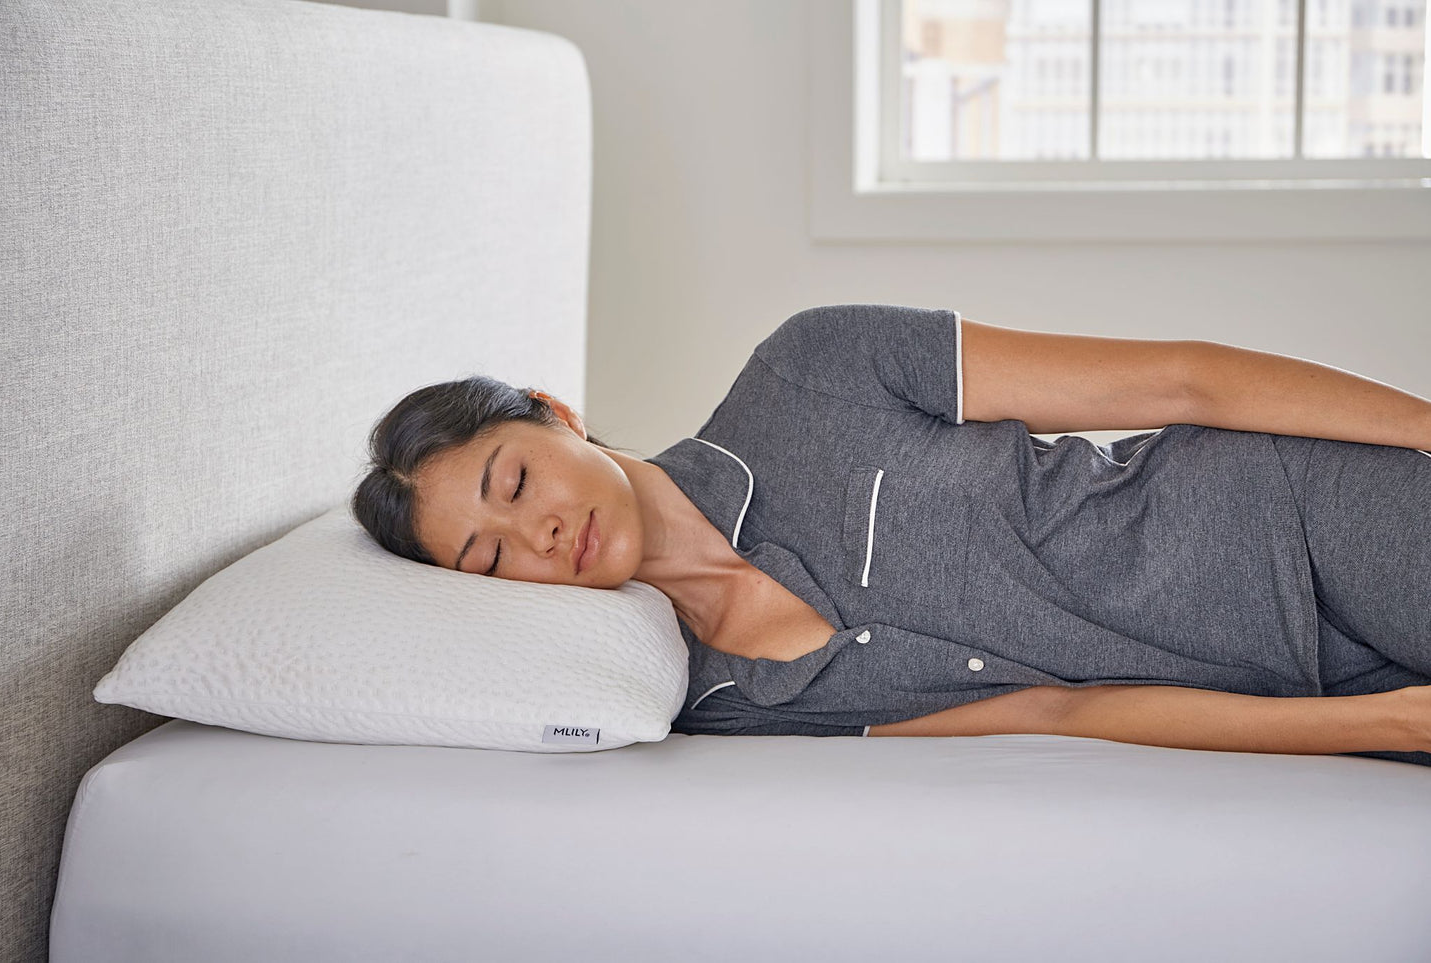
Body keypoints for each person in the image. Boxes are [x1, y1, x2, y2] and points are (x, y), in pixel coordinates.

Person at [352, 303, 1431, 766]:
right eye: (491, 558)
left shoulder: (810, 371)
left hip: (1296, 519)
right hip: (1315, 682)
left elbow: (1181, 380)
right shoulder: (720, 712)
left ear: (555, 413)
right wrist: (1379, 726)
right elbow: (1063, 709)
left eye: (515, 478)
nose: (538, 533)